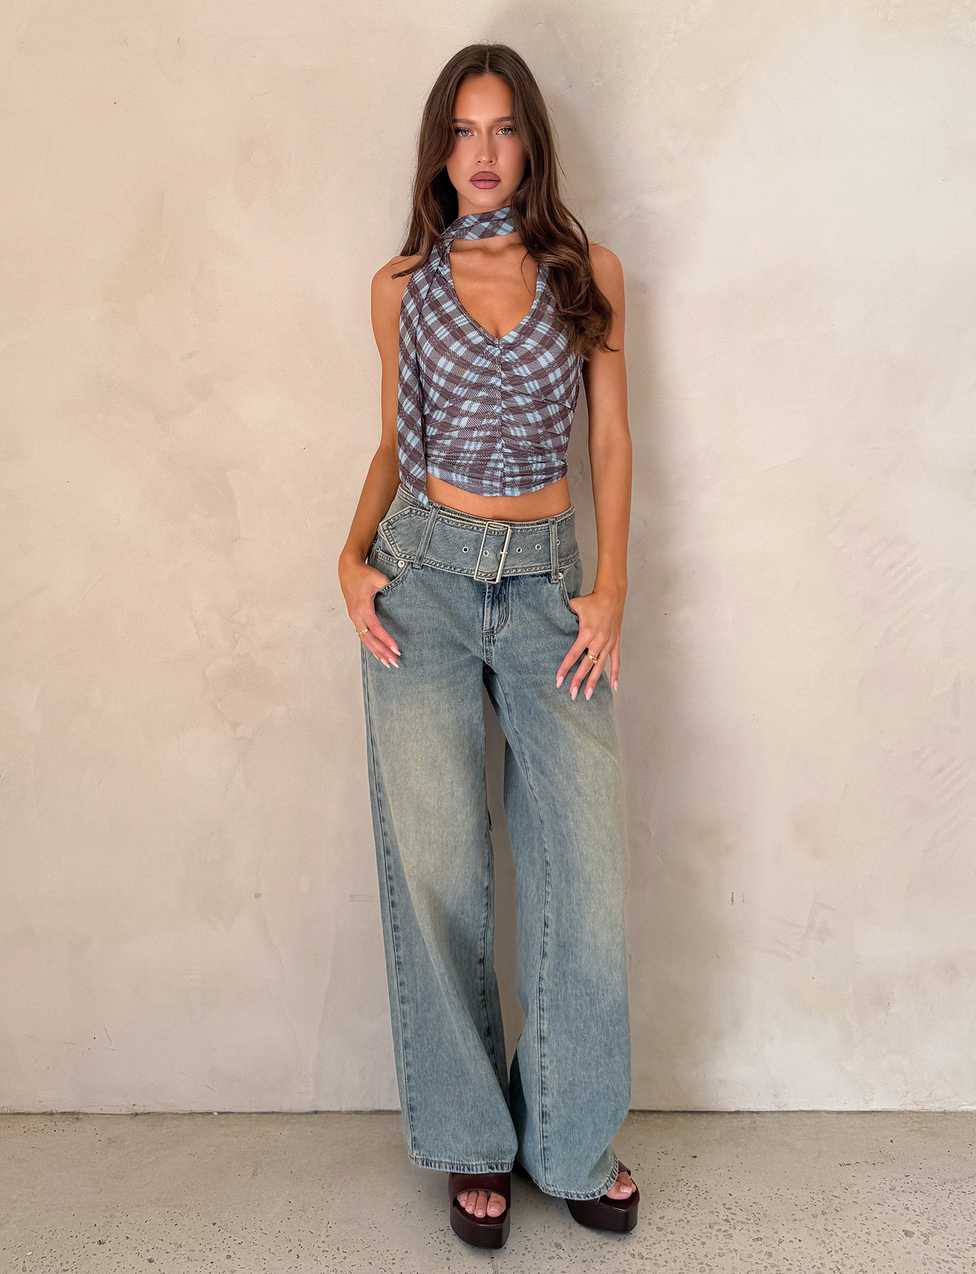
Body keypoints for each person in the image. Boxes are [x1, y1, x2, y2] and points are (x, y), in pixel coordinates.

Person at [338, 42, 638, 1249]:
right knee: (440, 870)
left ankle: (569, 1136)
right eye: (461, 130)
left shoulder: (587, 272)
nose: (479, 152)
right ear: (438, 147)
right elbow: (389, 450)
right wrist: (345, 557)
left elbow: (608, 445)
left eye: (502, 128)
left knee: (584, 875)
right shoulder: (398, 284)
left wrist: (609, 586)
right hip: (424, 582)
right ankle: (472, 1141)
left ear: (530, 144)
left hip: (553, 590)